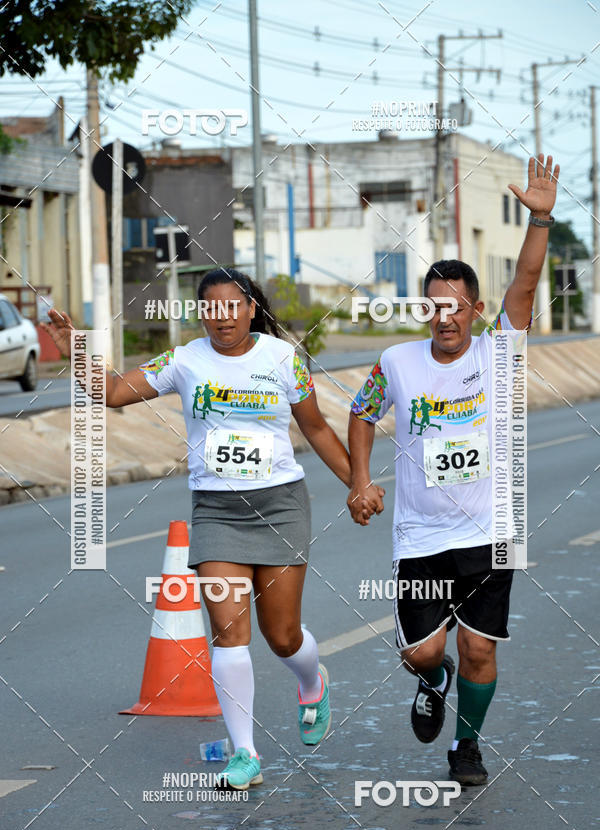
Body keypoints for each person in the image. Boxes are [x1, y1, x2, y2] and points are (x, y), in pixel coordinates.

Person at [44, 267, 382, 791]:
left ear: (250, 309)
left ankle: (312, 682)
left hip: (280, 506)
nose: (222, 318)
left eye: (232, 306)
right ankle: (245, 753)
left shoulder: (283, 358)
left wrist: (358, 483)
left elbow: (315, 427)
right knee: (228, 632)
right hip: (217, 510)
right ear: (201, 312)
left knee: (283, 636)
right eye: (211, 308)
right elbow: (112, 392)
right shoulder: (184, 361)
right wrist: (77, 349)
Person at [347, 154, 559, 785]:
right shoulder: (398, 361)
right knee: (423, 652)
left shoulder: (499, 352)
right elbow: (361, 412)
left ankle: (467, 747)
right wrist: (360, 478)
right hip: (420, 535)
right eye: (435, 306)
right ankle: (433, 680)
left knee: (479, 648)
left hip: (491, 530)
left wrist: (540, 220)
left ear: (476, 309)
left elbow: (526, 282)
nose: (445, 317)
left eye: (457, 307)